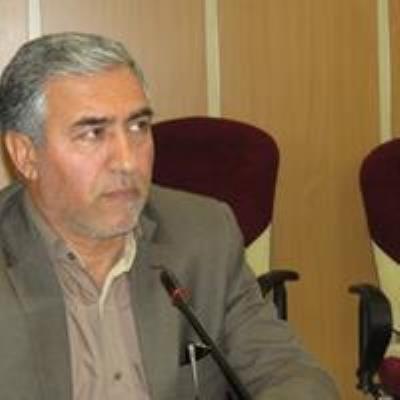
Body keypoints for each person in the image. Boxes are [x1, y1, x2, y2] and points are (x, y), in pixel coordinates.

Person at [0, 32, 340, 399]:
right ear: (25, 155)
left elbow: (292, 374)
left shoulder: (203, 234)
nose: (127, 161)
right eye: (93, 133)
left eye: (138, 127)